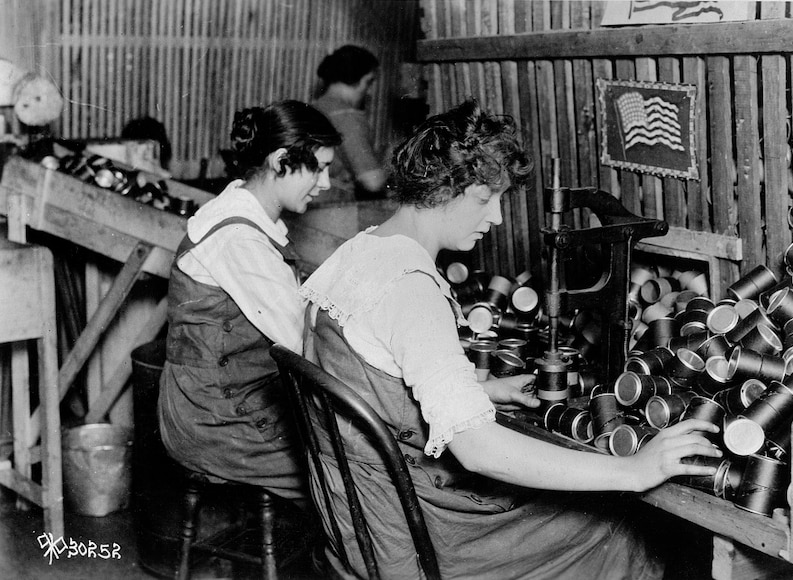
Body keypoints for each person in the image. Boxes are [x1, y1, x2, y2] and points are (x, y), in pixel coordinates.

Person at [299, 100, 721, 579]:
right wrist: (635, 470)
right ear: (442, 190)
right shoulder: (410, 290)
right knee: (624, 524)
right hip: (414, 537)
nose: (497, 217)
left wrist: (485, 391)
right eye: (485, 199)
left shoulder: (355, 254)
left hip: (353, 512)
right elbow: (478, 451)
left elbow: (371, 384)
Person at [158, 100, 341, 503]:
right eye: (319, 167)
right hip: (215, 424)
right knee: (357, 475)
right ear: (280, 161)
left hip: (225, 403)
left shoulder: (245, 212)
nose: (326, 183)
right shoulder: (239, 238)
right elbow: (303, 341)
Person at [312, 45, 387, 200]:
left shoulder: (315, 108)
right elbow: (372, 182)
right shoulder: (346, 117)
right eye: (369, 82)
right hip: (334, 207)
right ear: (353, 79)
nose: (370, 91)